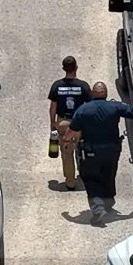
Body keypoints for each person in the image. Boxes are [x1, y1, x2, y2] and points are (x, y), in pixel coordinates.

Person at [64, 81, 133, 224]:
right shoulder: (114, 106)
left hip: (90, 153)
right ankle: (108, 201)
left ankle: (98, 209)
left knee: (91, 179)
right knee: (108, 175)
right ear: (106, 94)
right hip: (112, 151)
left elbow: (71, 130)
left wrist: (66, 140)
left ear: (92, 94)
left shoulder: (83, 110)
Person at [48, 55, 91, 191]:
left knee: (67, 153)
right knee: (84, 148)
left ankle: (71, 182)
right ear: (76, 68)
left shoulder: (57, 86)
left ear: (63, 69)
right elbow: (89, 106)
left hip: (63, 124)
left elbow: (53, 107)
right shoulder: (83, 86)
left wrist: (52, 123)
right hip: (79, 123)